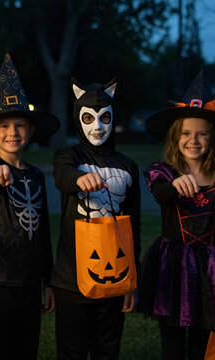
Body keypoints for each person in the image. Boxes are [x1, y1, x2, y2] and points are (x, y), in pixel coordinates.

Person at [136, 68, 215, 360]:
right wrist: (174, 184)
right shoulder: (164, 174)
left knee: (200, 341)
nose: (193, 140)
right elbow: (160, 195)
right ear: (175, 137)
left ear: (213, 139)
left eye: (201, 134)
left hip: (211, 270)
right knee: (172, 344)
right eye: (185, 133)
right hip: (172, 266)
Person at [0, 53, 59, 360]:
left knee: (25, 348)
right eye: (4, 126)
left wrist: (48, 281)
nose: (12, 132)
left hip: (30, 282)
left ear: (30, 132)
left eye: (20, 125)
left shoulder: (35, 175)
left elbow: (42, 233)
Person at [49, 76, 141, 359]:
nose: (97, 127)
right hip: (72, 277)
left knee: (107, 349)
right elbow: (62, 176)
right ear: (78, 119)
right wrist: (78, 178)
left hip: (114, 273)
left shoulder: (128, 166)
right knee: (71, 350)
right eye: (88, 118)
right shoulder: (68, 155)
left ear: (113, 118)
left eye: (104, 118)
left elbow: (133, 225)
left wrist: (131, 280)